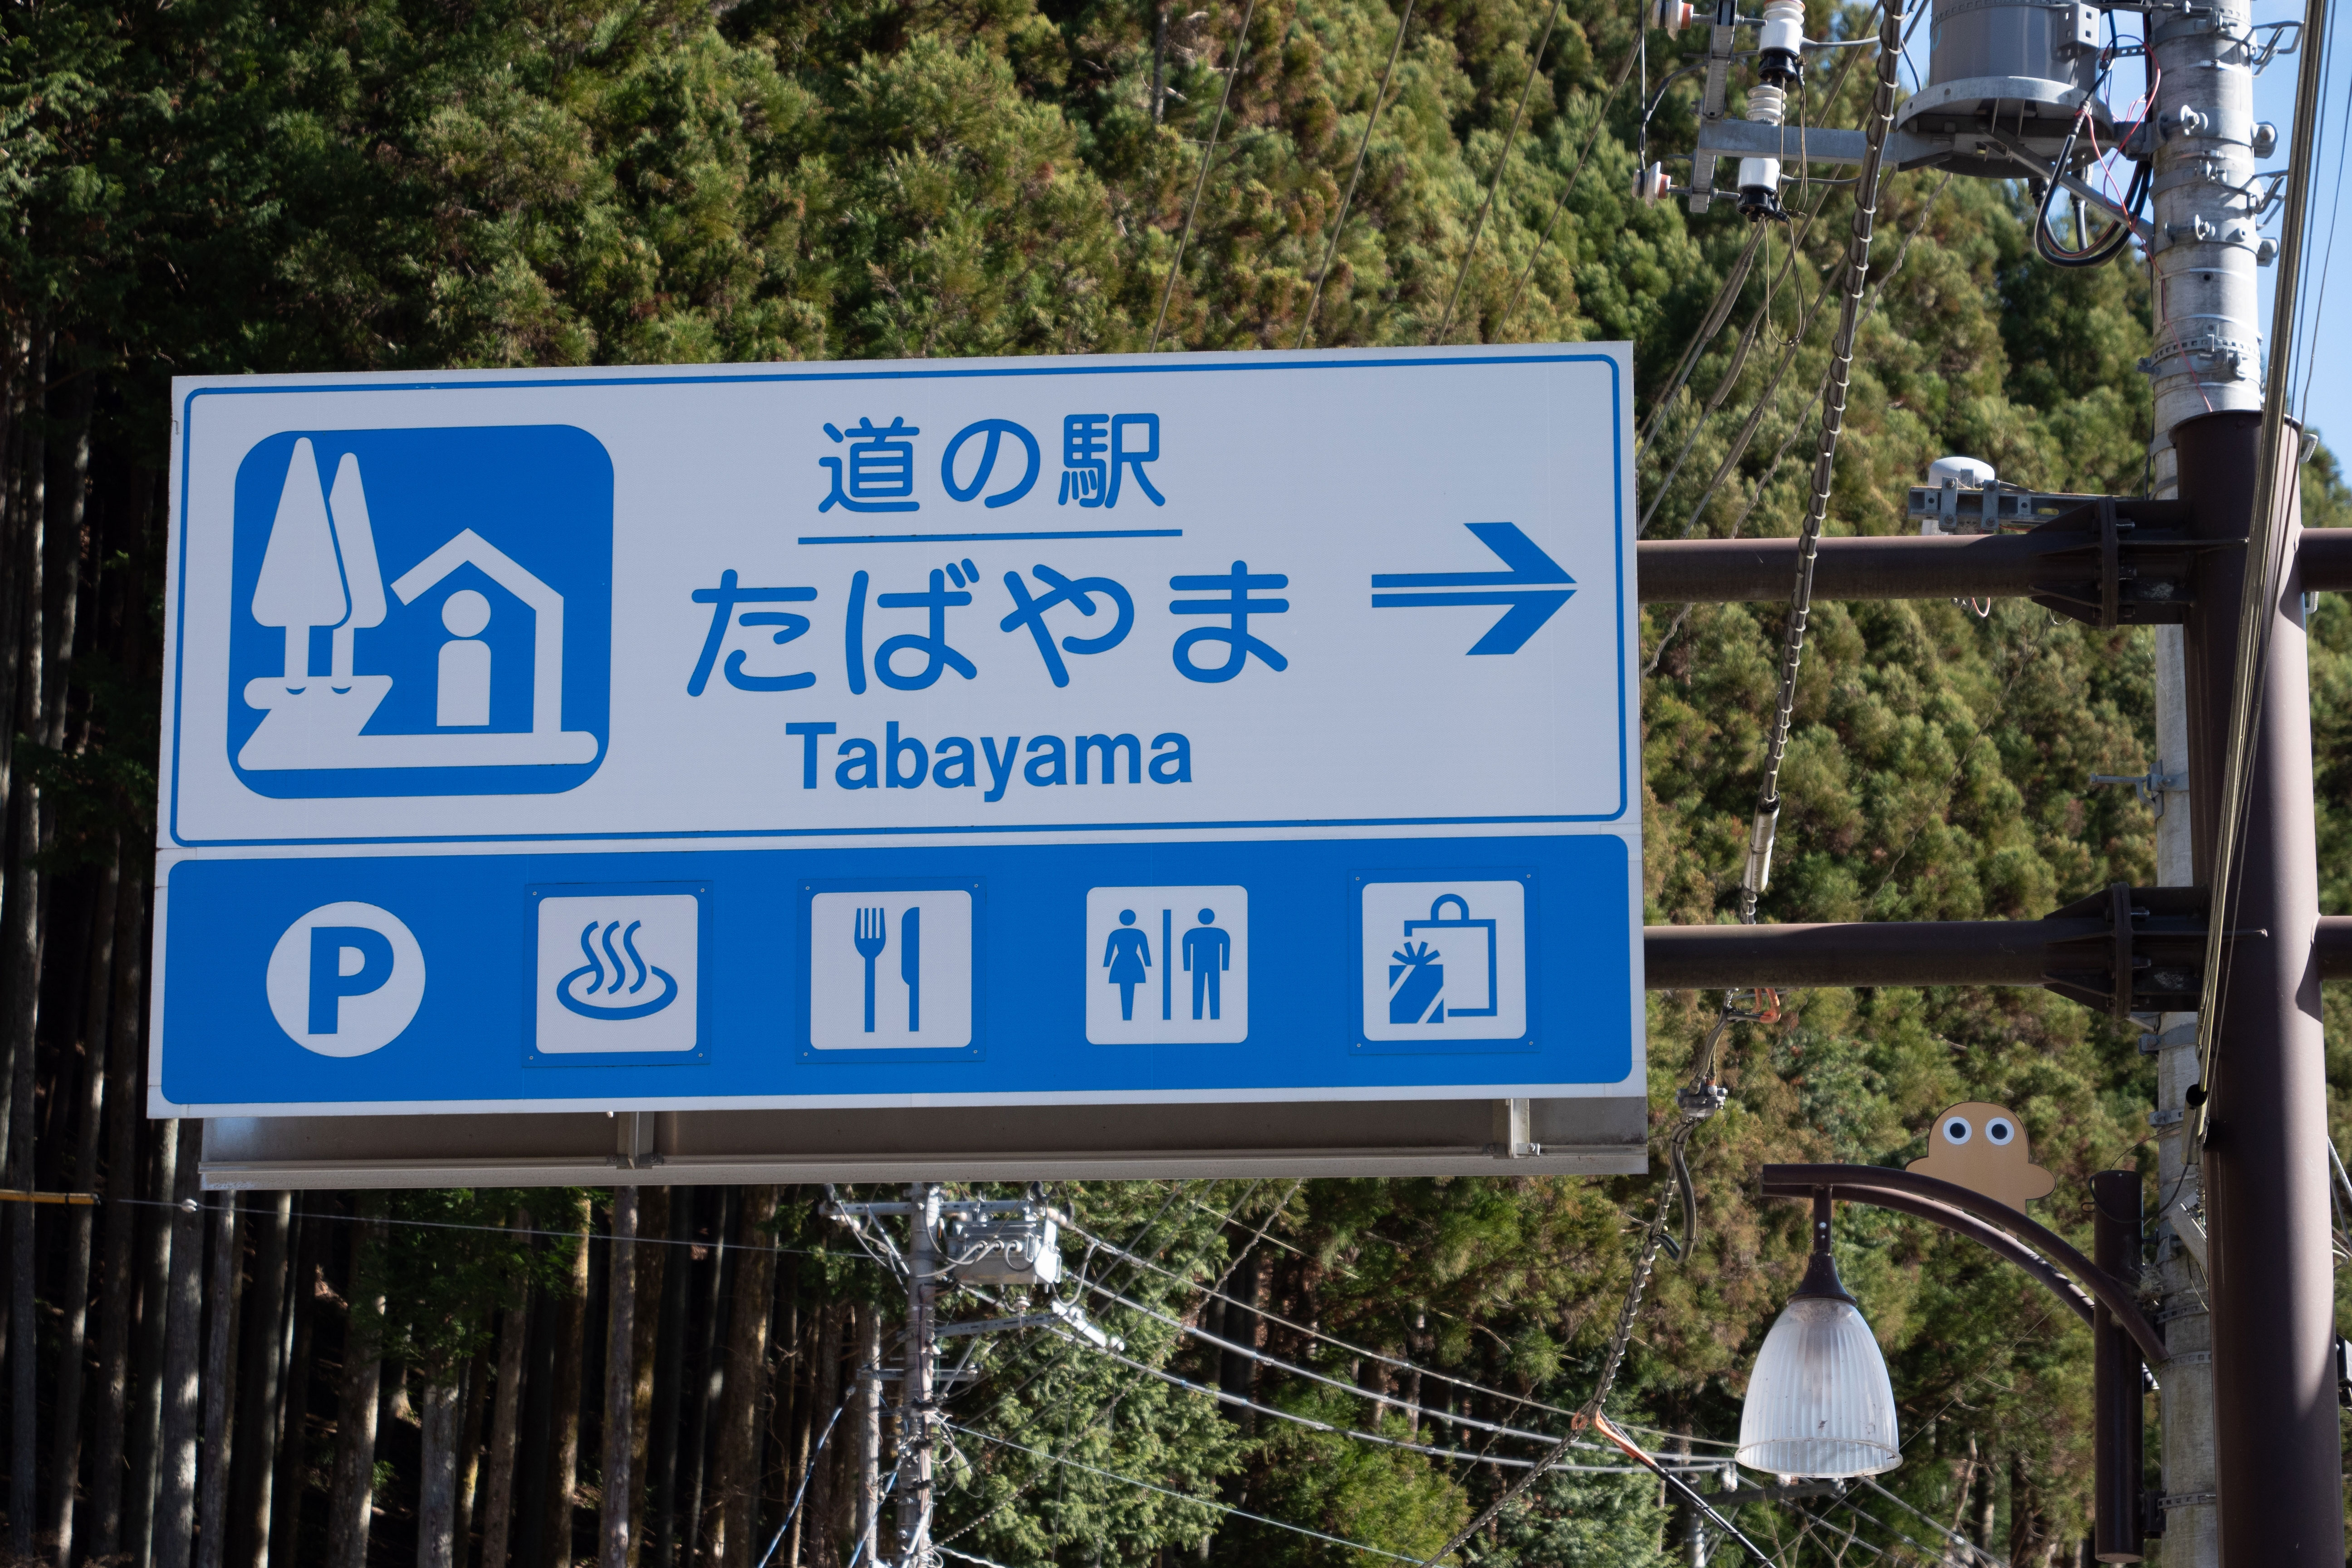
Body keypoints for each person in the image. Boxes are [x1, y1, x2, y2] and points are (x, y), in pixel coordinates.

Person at [1102, 909, 1152, 1021]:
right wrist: (1148, 964)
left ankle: (1127, 1018)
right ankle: (1127, 1018)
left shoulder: (1115, 934)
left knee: (1126, 989)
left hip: (1121, 962)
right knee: (1128, 989)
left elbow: (1109, 952)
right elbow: (1145, 952)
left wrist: (1107, 964)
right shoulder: (1139, 933)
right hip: (1133, 962)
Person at [1181, 908, 1230, 1020]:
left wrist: (1187, 966)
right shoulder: (1220, 933)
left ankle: (1198, 1016)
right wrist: (1225, 966)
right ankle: (1213, 1016)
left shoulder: (1192, 933)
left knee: (1200, 989)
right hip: (1212, 965)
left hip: (1200, 965)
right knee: (1213, 989)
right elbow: (1227, 948)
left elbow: (1186, 948)